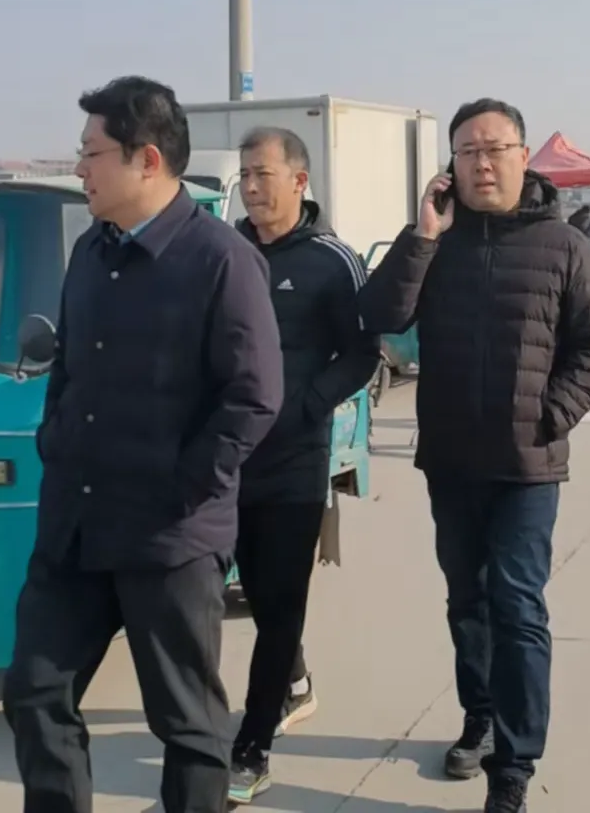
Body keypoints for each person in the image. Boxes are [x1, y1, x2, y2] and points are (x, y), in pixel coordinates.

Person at [2, 76, 285, 813]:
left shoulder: (221, 261)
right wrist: (56, 437)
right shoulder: (90, 252)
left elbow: (254, 396)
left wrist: (185, 487)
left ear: (147, 160)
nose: (79, 168)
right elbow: (68, 365)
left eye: (91, 153)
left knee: (187, 726)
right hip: (75, 524)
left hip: (168, 535)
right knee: (34, 693)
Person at [358, 98, 590, 813]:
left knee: (517, 604)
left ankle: (514, 765)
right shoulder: (435, 241)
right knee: (466, 601)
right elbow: (380, 315)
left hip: (527, 467)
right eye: (467, 150)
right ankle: (479, 715)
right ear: (451, 164)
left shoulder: (563, 245)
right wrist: (423, 234)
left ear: (523, 158)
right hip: (451, 461)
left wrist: (550, 417)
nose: (482, 163)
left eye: (495, 148)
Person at [227, 127, 381, 804]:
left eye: (262, 174)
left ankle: (253, 745)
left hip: (293, 461)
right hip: (226, 460)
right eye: (244, 174)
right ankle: (294, 681)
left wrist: (306, 407)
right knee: (255, 597)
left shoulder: (331, 261)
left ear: (299, 180)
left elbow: (363, 352)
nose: (250, 187)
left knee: (282, 600)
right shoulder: (226, 251)